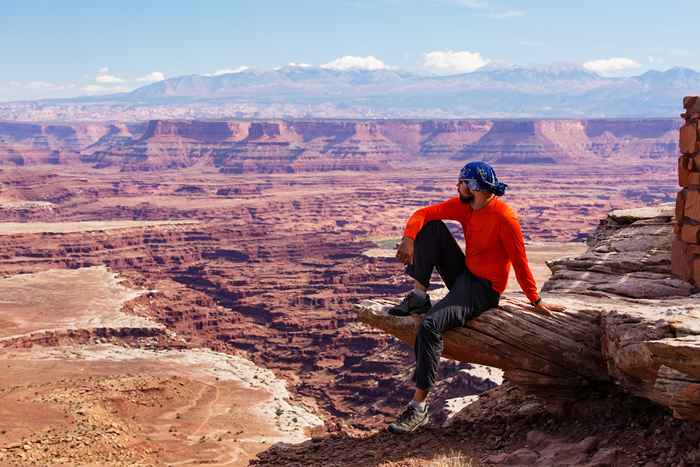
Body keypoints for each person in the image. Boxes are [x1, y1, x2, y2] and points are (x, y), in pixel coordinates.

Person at [386, 161, 566, 435]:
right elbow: (423, 213)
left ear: (474, 187)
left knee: (430, 326)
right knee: (431, 228)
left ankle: (418, 406)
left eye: (461, 183)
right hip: (465, 275)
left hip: (483, 290)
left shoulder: (504, 218)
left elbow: (520, 262)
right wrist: (409, 238)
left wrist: (535, 301)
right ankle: (418, 295)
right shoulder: (465, 206)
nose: (457, 187)